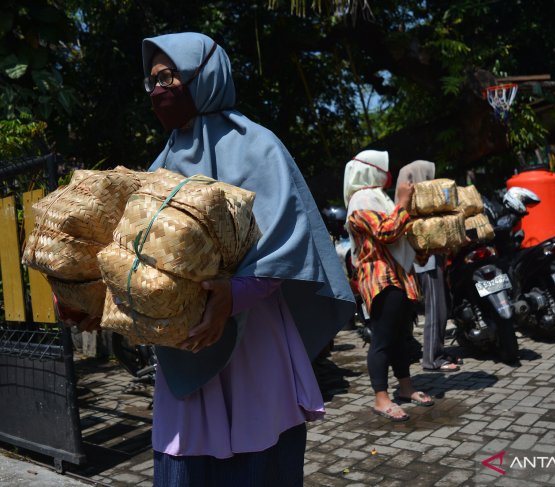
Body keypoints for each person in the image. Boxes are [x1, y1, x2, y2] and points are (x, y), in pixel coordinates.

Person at [135, 33, 354, 485]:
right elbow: (138, 251)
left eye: (168, 76)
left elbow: (284, 241)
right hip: (188, 339)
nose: (159, 90)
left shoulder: (259, 146)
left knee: (259, 453)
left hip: (253, 334)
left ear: (205, 75)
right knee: (186, 453)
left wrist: (232, 296)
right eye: (152, 80)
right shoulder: (160, 163)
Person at [344, 150, 434, 422]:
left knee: (401, 338)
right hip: (381, 278)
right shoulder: (361, 199)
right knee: (382, 339)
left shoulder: (380, 198)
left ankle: (405, 388)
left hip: (401, 277)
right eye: (383, 169)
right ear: (370, 171)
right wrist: (404, 202)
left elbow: (400, 234)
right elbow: (387, 230)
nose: (389, 175)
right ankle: (381, 398)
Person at [396, 160, 459, 372]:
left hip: (427, 260)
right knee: (436, 307)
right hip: (426, 262)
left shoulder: (417, 207)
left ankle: (436, 351)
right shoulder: (415, 208)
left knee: (438, 306)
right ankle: (432, 358)